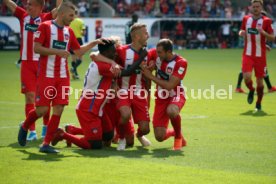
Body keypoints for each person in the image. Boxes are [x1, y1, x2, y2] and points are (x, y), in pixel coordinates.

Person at [17, 1, 105, 153]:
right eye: (71, 15)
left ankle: (45, 144)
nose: (73, 18)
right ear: (62, 14)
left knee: (59, 109)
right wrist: (57, 52)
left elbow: (77, 52)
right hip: (46, 75)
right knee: (42, 110)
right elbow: (36, 48)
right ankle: (25, 125)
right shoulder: (45, 26)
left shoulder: (68, 31)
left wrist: (95, 43)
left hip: (63, 76)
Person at [50, 39, 148, 150]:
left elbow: (96, 55)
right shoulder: (103, 66)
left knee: (108, 135)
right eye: (112, 51)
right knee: (95, 144)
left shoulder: (102, 62)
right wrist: (141, 58)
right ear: (105, 53)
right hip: (88, 109)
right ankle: (62, 135)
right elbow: (127, 72)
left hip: (97, 108)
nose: (115, 53)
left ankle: (73, 130)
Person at [3, 0, 63, 141]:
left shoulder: (46, 18)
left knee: (45, 97)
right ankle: (31, 131)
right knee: (29, 96)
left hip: (43, 63)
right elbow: (8, 3)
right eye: (27, 4)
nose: (27, 6)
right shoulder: (23, 16)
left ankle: (45, 128)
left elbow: (60, 9)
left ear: (39, 7)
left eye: (30, 4)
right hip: (27, 64)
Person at [140, 39, 187, 150]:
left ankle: (178, 137)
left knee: (171, 111)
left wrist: (150, 76)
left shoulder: (181, 62)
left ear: (169, 52)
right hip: (161, 98)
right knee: (159, 137)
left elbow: (170, 86)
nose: (157, 54)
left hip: (176, 94)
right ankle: (174, 133)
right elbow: (146, 54)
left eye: (160, 52)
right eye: (157, 51)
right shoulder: (156, 55)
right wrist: (150, 62)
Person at [239, 0, 275, 111]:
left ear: (261, 7)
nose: (255, 8)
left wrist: (263, 33)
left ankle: (258, 103)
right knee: (246, 77)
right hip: (248, 54)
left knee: (260, 83)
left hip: (260, 57)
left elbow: (273, 38)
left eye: (257, 6)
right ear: (251, 7)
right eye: (253, 6)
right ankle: (251, 89)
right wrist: (241, 33)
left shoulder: (267, 21)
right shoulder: (246, 19)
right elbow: (242, 30)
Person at [235, 10, 276, 93]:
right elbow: (249, 36)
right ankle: (269, 87)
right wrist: (242, 33)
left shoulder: (264, 25)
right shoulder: (252, 24)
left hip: (258, 51)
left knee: (249, 70)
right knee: (257, 70)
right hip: (251, 51)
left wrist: (265, 45)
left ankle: (238, 87)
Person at [69, 11, 86, 79]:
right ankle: (73, 68)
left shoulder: (69, 21)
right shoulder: (80, 21)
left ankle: (75, 74)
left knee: (73, 58)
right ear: (77, 14)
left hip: (70, 39)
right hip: (78, 40)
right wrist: (81, 32)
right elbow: (83, 33)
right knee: (80, 58)